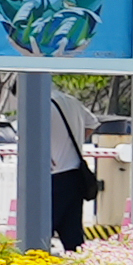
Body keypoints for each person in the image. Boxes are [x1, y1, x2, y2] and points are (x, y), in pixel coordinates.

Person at [47, 85, 101, 252]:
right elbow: (92, 123)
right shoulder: (72, 101)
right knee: (72, 233)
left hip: (53, 174)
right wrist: (74, 144)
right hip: (75, 173)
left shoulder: (40, 103)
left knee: (41, 229)